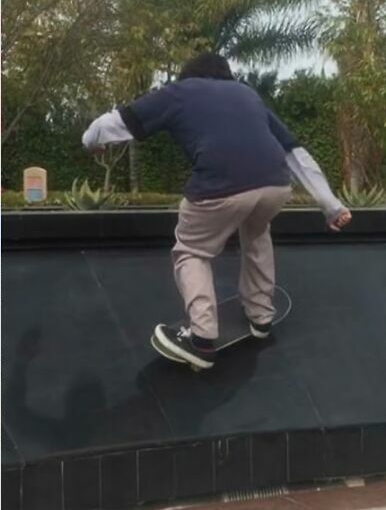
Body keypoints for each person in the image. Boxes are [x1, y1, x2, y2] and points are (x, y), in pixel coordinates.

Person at [82, 52, 351, 369]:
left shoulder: (180, 92)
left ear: (189, 75)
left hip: (219, 185)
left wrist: (91, 142)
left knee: (191, 250)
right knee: (257, 231)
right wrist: (331, 205)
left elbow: (114, 122)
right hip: (275, 186)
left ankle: (201, 337)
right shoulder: (248, 95)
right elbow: (295, 153)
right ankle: (261, 315)